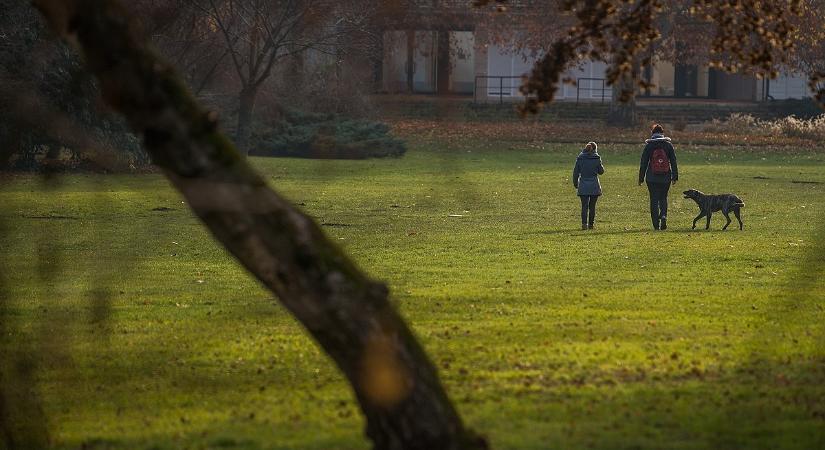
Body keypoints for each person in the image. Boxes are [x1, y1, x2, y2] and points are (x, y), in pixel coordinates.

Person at [639, 124, 678, 230]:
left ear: (652, 133)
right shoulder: (668, 145)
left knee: (654, 200)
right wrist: (675, 176)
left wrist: (641, 178)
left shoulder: (649, 146)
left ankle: (656, 224)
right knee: (663, 198)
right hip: (665, 177)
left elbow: (644, 163)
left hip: (652, 178)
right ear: (662, 133)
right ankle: (664, 216)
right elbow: (673, 161)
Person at [573, 141, 605, 230]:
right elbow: (601, 172)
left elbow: (575, 173)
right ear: (595, 149)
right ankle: (591, 224)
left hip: (583, 185)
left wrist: (576, 183)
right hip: (594, 185)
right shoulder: (597, 158)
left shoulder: (580, 158)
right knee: (592, 206)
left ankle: (584, 224)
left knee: (584, 206)